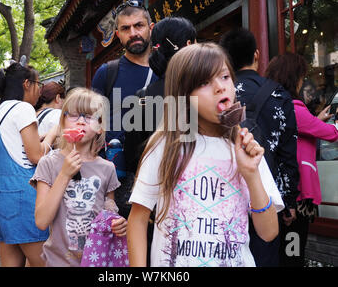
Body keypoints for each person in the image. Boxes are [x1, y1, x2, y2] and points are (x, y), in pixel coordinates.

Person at [127, 43, 284, 267]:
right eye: (203, 82)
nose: (220, 87)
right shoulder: (165, 146)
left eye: (224, 76)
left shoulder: (245, 147)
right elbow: (138, 219)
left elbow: (269, 232)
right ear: (184, 95)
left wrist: (251, 174)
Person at [219, 28, 299, 267]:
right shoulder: (278, 94)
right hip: (266, 195)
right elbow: (288, 153)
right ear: (256, 54)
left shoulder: (219, 95)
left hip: (226, 200)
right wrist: (289, 200)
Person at [31, 87, 127, 266]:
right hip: (58, 261)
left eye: (89, 117)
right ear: (63, 121)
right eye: (74, 115)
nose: (81, 121)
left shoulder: (107, 168)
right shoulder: (49, 164)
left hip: (97, 259)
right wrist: (64, 175)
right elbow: (41, 221)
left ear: (99, 127)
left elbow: (108, 210)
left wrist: (117, 222)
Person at [265, 52, 338, 267]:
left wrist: (316, 119)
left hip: (280, 192)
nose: (302, 82)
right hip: (296, 196)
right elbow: (331, 133)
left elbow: (300, 130)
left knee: (284, 250)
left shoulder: (275, 105)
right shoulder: (293, 108)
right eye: (301, 77)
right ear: (293, 77)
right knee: (293, 250)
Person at [0, 61, 57, 267]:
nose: (39, 91)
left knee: (10, 262)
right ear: (27, 84)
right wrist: (52, 135)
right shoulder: (24, 108)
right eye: (38, 84)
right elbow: (35, 156)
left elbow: (12, 146)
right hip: (23, 196)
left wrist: (40, 137)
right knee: (45, 263)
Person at [91, 0, 158, 219]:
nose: (133, 33)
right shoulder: (106, 73)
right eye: (126, 28)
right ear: (117, 35)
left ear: (151, 27)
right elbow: (94, 124)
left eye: (139, 25)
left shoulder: (169, 70)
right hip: (118, 179)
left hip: (160, 172)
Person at [124, 16, 197, 174]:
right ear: (189, 45)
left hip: (156, 187)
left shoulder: (142, 98)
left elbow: (131, 158)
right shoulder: (204, 91)